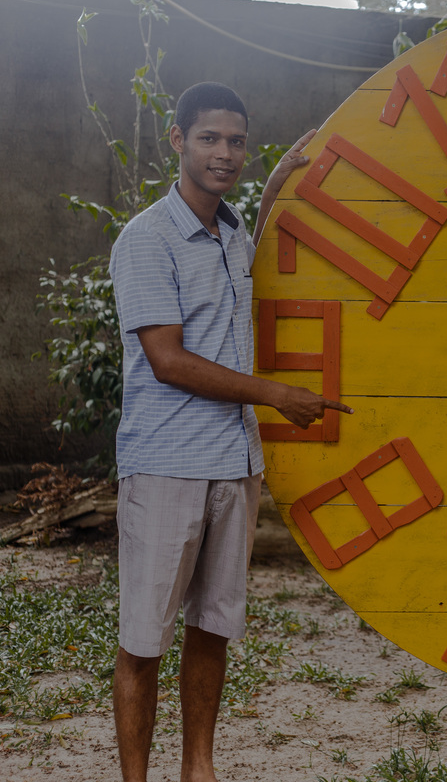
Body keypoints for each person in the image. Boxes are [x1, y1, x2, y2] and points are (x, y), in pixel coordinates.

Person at [108, 81, 350, 782]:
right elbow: (168, 359)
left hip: (233, 464)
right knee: (143, 640)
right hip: (166, 465)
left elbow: (251, 255)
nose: (225, 153)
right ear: (178, 141)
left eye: (237, 142)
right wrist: (275, 394)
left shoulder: (233, 231)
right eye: (210, 138)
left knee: (213, 629)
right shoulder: (147, 239)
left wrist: (277, 182)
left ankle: (199, 770)